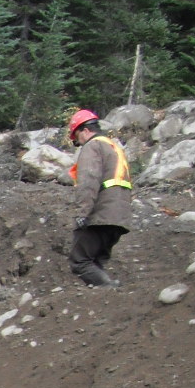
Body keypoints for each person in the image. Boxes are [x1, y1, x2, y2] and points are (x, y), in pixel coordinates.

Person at [67, 109, 133, 288]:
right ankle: (109, 294)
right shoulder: (112, 146)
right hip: (119, 215)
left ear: (85, 130)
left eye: (77, 137)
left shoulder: (93, 145)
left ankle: (109, 290)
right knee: (95, 261)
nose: (78, 142)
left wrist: (82, 212)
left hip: (102, 214)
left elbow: (88, 180)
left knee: (79, 261)